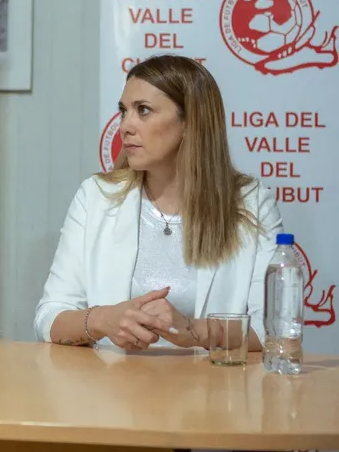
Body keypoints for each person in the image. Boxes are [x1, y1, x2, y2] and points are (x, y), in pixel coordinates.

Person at [34, 54, 284, 351]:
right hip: (112, 391)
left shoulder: (251, 202)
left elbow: (273, 330)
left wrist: (192, 330)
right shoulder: (95, 196)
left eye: (143, 110)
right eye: (123, 111)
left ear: (191, 122)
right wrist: (102, 320)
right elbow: (48, 318)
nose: (125, 126)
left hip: (210, 393)